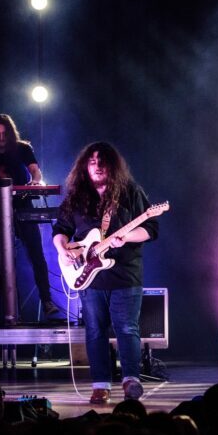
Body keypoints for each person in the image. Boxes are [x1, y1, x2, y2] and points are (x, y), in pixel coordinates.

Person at [52, 142, 159, 404]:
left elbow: (151, 229)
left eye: (102, 161)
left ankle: (130, 381)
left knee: (127, 328)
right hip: (89, 276)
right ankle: (100, 385)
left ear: (112, 165)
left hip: (125, 273)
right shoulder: (76, 196)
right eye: (92, 161)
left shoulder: (131, 192)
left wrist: (127, 237)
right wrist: (63, 249)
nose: (97, 166)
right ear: (84, 167)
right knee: (95, 331)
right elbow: (60, 229)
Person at [0, 114, 59, 317]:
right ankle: (10, 310)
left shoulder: (22, 149)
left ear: (9, 133)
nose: (0, 137)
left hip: (24, 209)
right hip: (1, 213)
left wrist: (35, 181)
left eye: (3, 133)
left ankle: (47, 301)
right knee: (5, 263)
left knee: (37, 256)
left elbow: (36, 172)